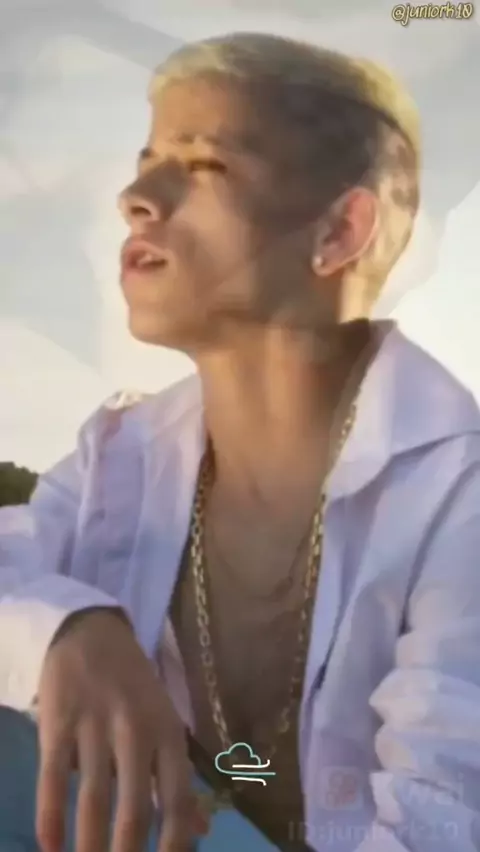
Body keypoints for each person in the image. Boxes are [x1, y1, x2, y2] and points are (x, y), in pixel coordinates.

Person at [1, 30, 480, 852]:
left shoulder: (456, 497)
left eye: (204, 165)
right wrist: (67, 628)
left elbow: (443, 823)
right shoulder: (121, 455)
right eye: (146, 161)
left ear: (340, 231)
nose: (134, 197)